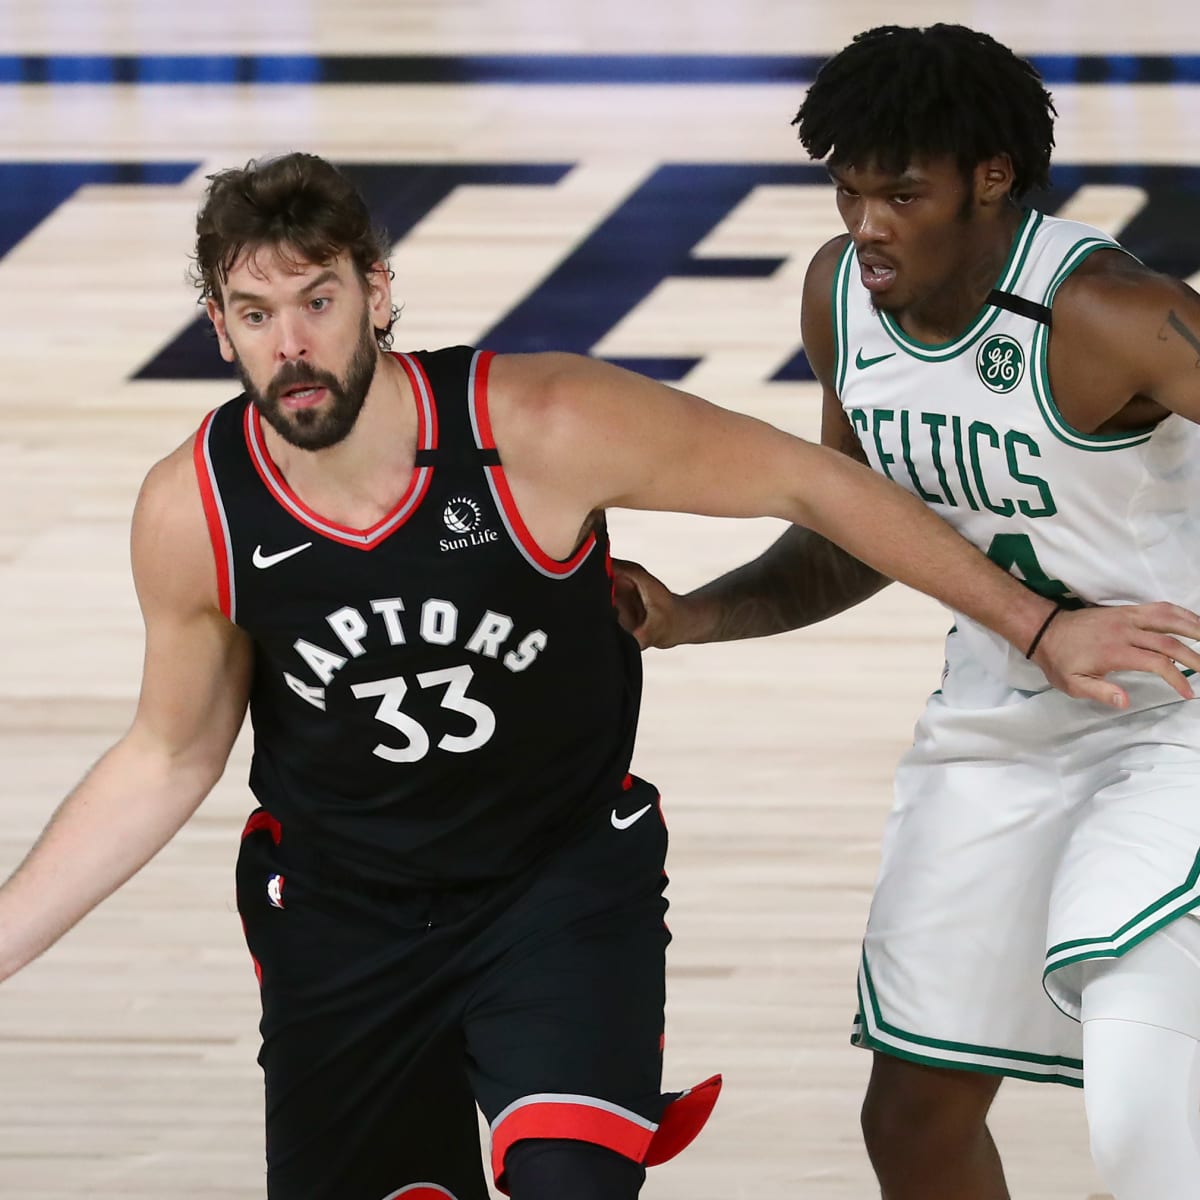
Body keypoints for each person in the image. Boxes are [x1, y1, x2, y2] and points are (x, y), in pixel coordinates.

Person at [0, 154, 1196, 1200]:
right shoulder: (195, 508)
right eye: (256, 315)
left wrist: (1039, 627)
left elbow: (818, 482)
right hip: (340, 918)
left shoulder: (538, 425)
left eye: (318, 301)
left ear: (377, 292)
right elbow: (169, 754)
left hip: (553, 892)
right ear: (218, 329)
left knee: (570, 1176)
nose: (293, 345)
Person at [616, 24, 1200, 1200]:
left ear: (991, 180)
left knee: (1140, 1078)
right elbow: (861, 532)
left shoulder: (1113, 316)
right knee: (914, 1118)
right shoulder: (839, 298)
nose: (866, 225)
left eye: (900, 195)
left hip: (1173, 714)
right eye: (848, 191)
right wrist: (690, 617)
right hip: (1000, 720)